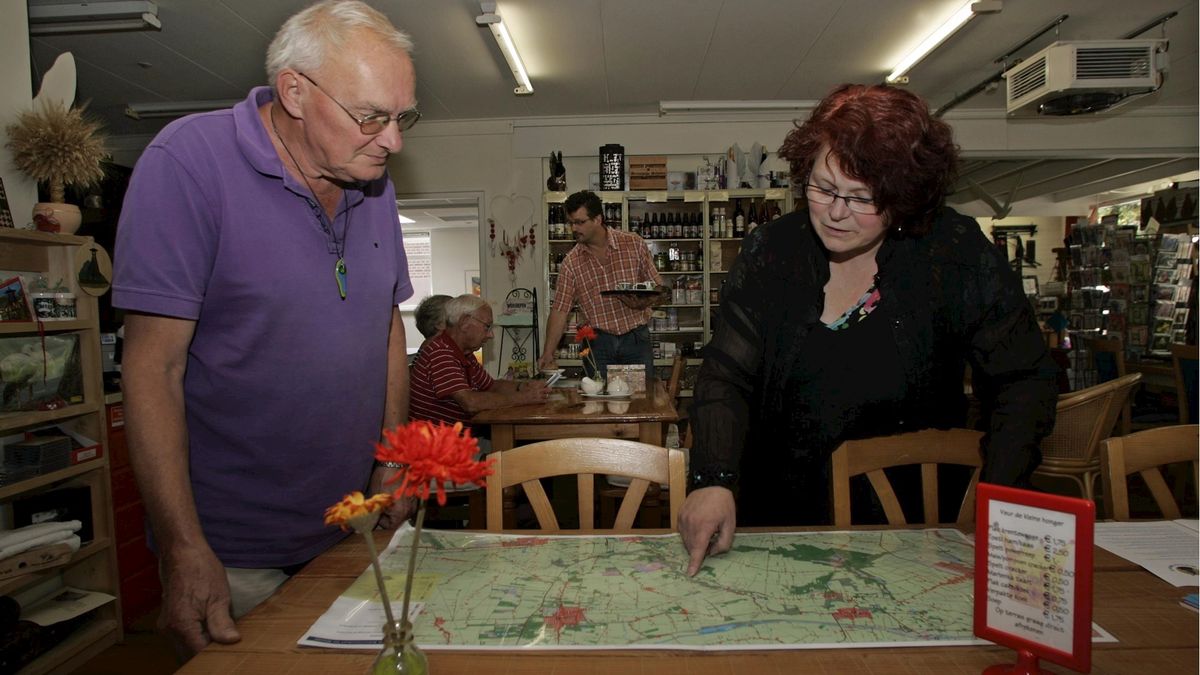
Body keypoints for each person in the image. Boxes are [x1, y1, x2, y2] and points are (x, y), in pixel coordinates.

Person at [111, 0, 419, 657]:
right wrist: (183, 546)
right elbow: (152, 368)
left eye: (402, 118)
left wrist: (393, 461)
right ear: (295, 92)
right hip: (234, 548)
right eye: (371, 116)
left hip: (349, 524)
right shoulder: (188, 163)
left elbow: (386, 325)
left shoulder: (372, 180)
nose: (392, 141)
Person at [678, 84, 1059, 576]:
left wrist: (1001, 497)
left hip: (911, 528)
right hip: (779, 517)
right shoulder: (772, 251)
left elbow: (1023, 380)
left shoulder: (954, 253)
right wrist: (713, 477)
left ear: (904, 197)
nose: (837, 213)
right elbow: (726, 376)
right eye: (823, 188)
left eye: (862, 198)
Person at [538, 190, 666, 378]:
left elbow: (658, 288)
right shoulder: (571, 263)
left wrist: (642, 302)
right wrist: (548, 353)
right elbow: (559, 310)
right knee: (598, 395)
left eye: (579, 222)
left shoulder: (633, 244)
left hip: (636, 339)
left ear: (597, 219)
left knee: (640, 394)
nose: (573, 228)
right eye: (571, 222)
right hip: (598, 344)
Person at [410, 294, 548, 427]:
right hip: (441, 441)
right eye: (487, 326)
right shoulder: (440, 352)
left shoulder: (465, 353)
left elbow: (492, 386)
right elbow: (470, 402)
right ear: (464, 322)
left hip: (462, 436)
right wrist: (524, 398)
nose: (490, 335)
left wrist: (524, 387)